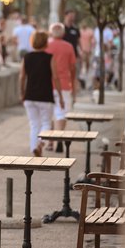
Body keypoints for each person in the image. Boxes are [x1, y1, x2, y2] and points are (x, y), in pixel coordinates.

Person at [19, 31, 64, 156]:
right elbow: (55, 77)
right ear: (45, 43)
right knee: (46, 124)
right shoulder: (50, 57)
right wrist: (60, 96)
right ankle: (40, 144)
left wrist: (22, 93)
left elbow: (22, 77)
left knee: (34, 124)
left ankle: (34, 148)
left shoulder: (26, 57)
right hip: (45, 96)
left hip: (30, 96)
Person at [45, 23, 77, 153]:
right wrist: (73, 84)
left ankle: (50, 142)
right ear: (63, 34)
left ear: (51, 32)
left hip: (47, 84)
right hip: (64, 84)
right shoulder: (69, 47)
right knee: (61, 113)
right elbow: (73, 67)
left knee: (49, 113)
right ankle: (59, 138)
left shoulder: (46, 45)